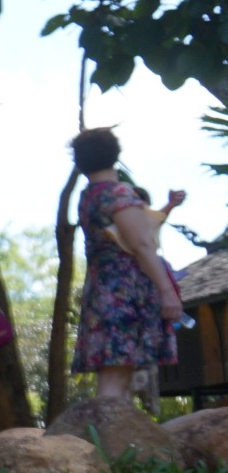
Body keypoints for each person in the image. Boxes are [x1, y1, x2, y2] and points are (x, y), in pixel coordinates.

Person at [70, 128, 183, 401]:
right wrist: (167, 291)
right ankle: (105, 430)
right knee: (117, 376)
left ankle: (110, 428)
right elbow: (141, 244)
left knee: (116, 375)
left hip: (100, 288)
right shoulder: (119, 194)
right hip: (124, 292)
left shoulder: (89, 196)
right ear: (115, 155)